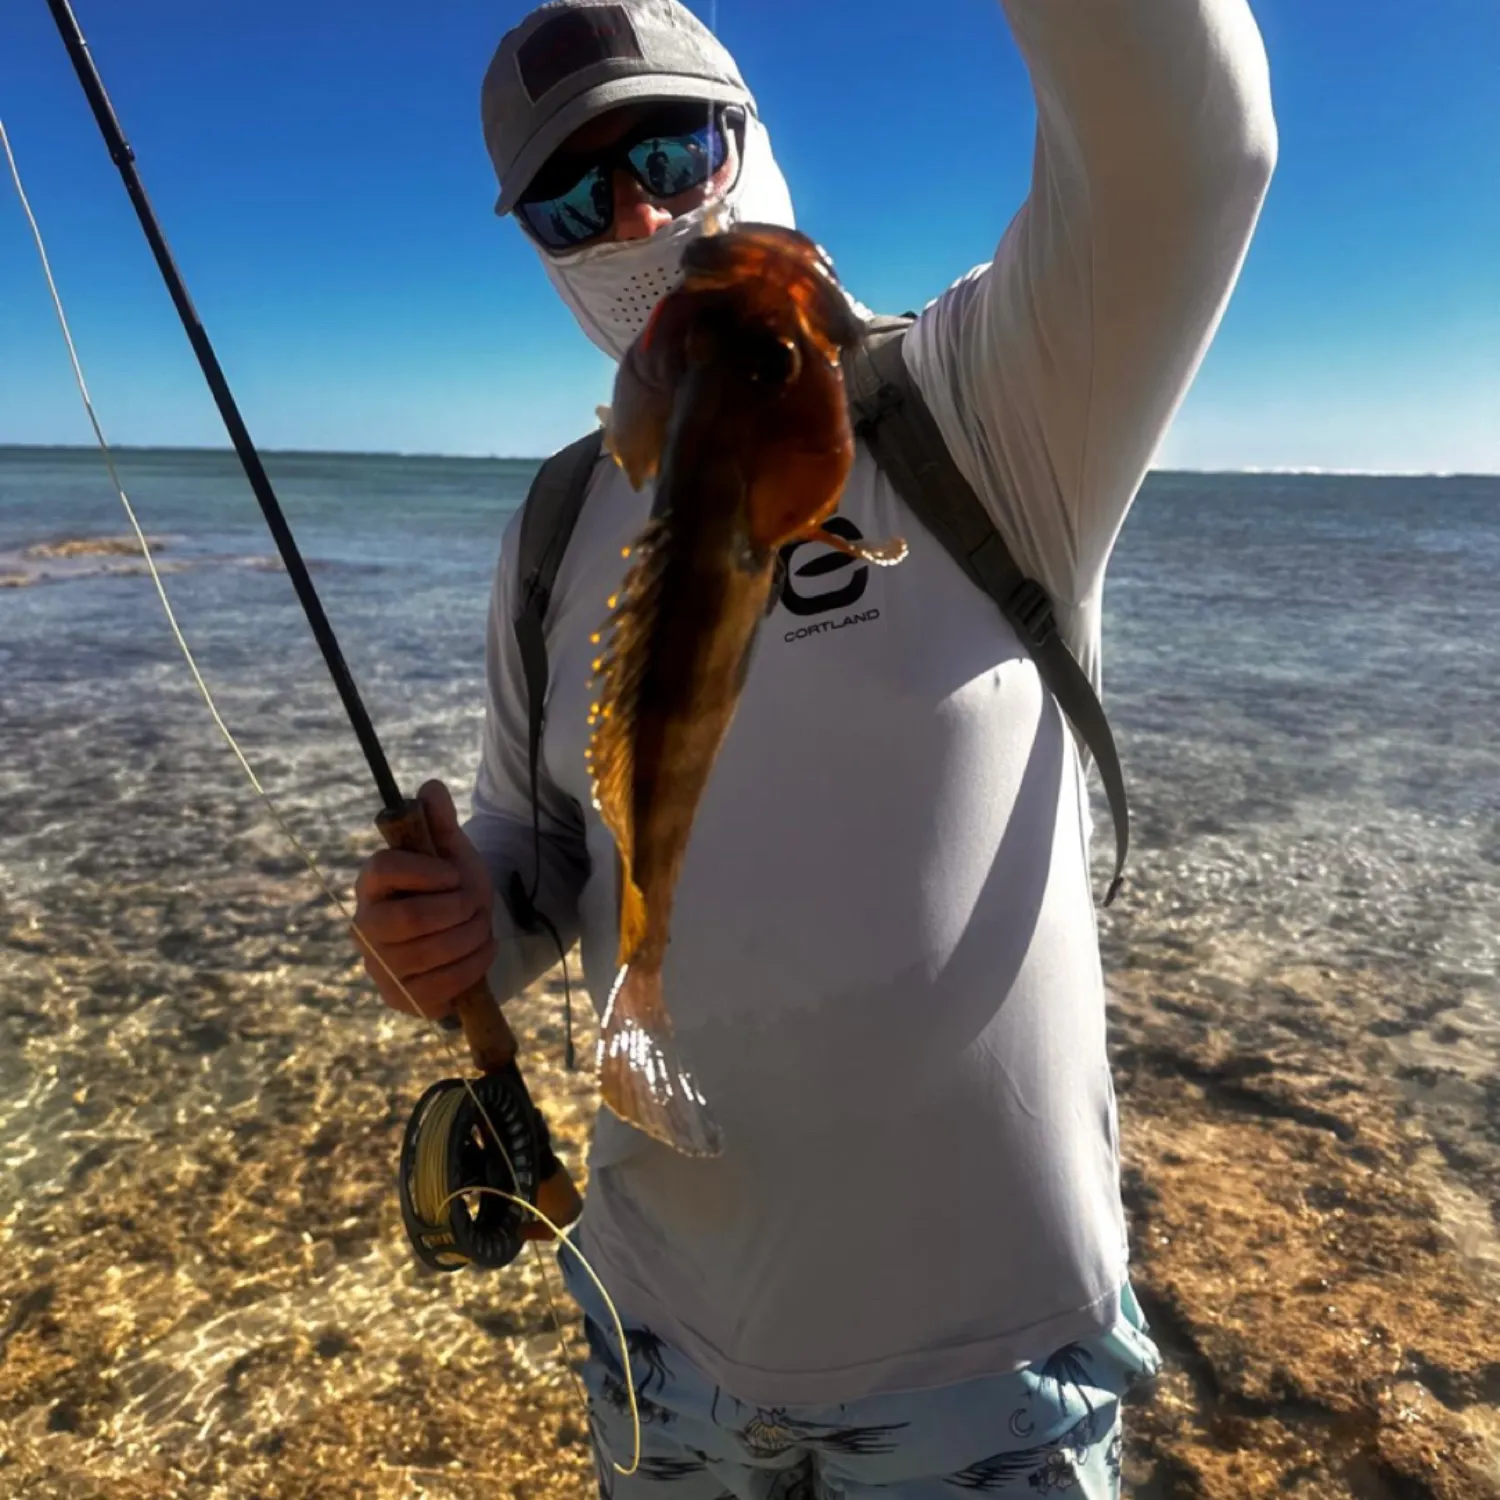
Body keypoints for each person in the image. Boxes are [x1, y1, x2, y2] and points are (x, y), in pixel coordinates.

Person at [352, 0, 1277, 1494]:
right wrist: (454, 927)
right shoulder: (551, 526)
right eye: (575, 195)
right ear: (538, 246)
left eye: (669, 145)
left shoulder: (987, 408)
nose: (639, 210)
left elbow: (1193, 145)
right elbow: (538, 860)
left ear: (753, 141)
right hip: (654, 1344)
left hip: (983, 1372)